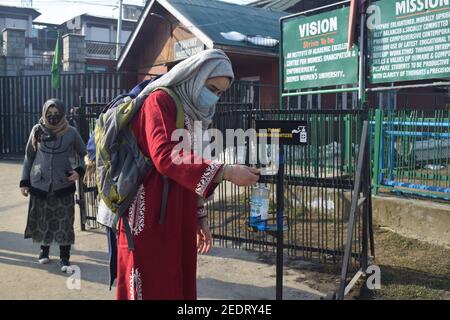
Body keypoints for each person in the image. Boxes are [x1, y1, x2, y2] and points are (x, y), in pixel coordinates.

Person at [116, 49, 260, 300]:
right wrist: (224, 171)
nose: (213, 97)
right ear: (195, 76)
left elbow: (189, 166)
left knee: (176, 283)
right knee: (151, 285)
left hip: (177, 214)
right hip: (149, 216)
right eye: (211, 88)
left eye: (219, 93)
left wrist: (199, 215)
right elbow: (166, 155)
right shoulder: (159, 101)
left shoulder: (193, 113)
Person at [20, 98, 87, 273]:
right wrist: (24, 181)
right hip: (39, 183)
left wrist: (79, 171)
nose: (53, 117)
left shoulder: (71, 132)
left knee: (65, 221)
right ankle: (44, 251)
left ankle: (65, 258)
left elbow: (84, 153)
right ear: (44, 113)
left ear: (63, 114)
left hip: (63, 183)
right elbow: (29, 157)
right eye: (49, 114)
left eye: (57, 114)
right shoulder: (37, 130)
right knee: (43, 218)